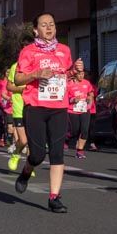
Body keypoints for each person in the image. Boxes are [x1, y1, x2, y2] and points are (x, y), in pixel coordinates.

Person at [12, 13, 74, 212]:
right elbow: (18, 80)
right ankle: (26, 171)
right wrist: (36, 74)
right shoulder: (28, 52)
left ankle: (54, 197)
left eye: (52, 25)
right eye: (44, 25)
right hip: (36, 107)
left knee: (57, 153)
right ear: (36, 30)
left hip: (59, 107)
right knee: (38, 155)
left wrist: (73, 73)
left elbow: (66, 76)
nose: (49, 28)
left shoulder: (64, 51)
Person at [66, 60, 96, 160]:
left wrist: (89, 99)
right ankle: (66, 138)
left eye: (83, 74)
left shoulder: (87, 83)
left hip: (84, 110)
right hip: (72, 110)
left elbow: (91, 93)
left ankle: (80, 151)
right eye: (79, 74)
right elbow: (64, 97)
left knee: (84, 130)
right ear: (75, 75)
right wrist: (73, 99)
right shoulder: (69, 84)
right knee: (75, 131)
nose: (81, 76)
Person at [5, 62, 29, 171]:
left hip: (35, 107)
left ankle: (29, 166)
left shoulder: (40, 64)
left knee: (33, 141)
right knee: (23, 140)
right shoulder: (15, 66)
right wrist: (23, 90)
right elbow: (9, 86)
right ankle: (16, 154)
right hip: (19, 107)